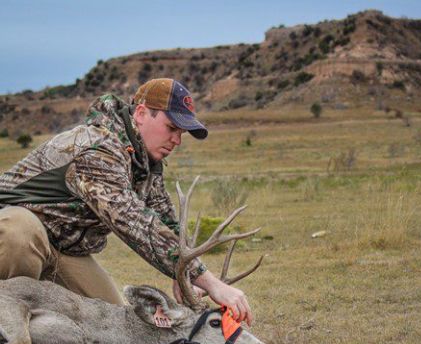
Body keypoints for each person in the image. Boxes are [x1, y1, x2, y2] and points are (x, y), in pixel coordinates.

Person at [0, 78, 252, 325]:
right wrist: (209, 282)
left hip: (60, 250)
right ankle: (10, 333)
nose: (177, 140)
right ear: (141, 113)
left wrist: (182, 270)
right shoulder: (98, 148)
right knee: (20, 231)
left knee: (114, 323)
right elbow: (133, 221)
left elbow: (165, 223)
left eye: (182, 132)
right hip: (14, 236)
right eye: (172, 128)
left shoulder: (145, 166)